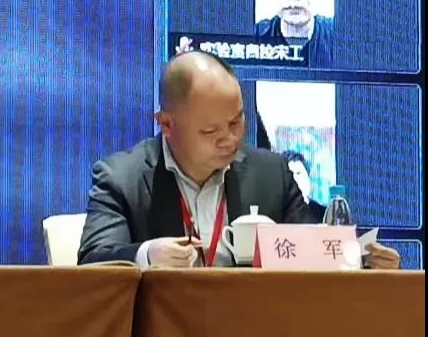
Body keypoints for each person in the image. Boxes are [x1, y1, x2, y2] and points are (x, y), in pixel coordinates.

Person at [78, 51, 399, 269]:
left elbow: (312, 252)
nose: (230, 139)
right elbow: (92, 261)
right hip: (164, 336)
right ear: (166, 125)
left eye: (236, 122)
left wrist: (364, 259)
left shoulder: (271, 174)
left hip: (254, 332)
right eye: (210, 131)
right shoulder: (122, 178)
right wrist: (148, 255)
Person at [282, 150, 326, 223]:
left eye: (298, 173)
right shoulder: (275, 216)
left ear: (308, 176)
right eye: (289, 174)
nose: (295, 179)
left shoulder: (324, 215)